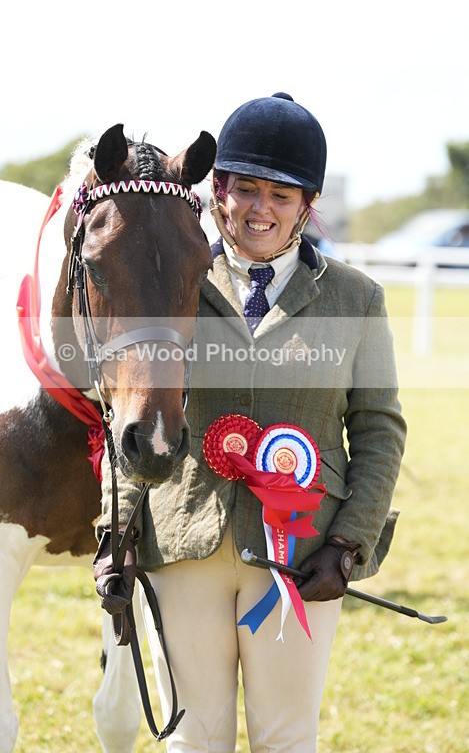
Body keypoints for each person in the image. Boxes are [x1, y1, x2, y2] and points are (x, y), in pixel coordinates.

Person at [93, 92, 407, 751]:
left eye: (282, 195)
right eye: (246, 189)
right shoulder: (172, 283)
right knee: (190, 739)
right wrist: (112, 529)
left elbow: (378, 429)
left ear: (305, 205)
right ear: (218, 193)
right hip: (181, 541)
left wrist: (347, 545)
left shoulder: (355, 299)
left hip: (301, 556)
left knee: (285, 737)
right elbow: (120, 404)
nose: (260, 208)